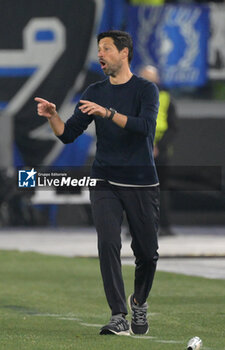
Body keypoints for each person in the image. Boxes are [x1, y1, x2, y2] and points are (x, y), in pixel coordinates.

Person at [35, 30, 160, 336]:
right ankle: (118, 314)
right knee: (107, 243)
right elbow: (68, 134)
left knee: (147, 252)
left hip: (141, 182)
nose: (100, 55)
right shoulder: (94, 90)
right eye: (99, 50)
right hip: (104, 180)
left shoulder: (146, 89)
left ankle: (139, 302)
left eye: (106, 49)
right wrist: (53, 117)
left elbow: (144, 128)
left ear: (124, 53)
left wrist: (108, 113)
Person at [140, 65, 178, 236]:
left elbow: (173, 127)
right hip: (138, 151)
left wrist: (158, 147)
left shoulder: (166, 98)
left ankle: (165, 226)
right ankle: (135, 227)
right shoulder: (132, 97)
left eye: (150, 79)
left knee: (161, 190)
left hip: (160, 153)